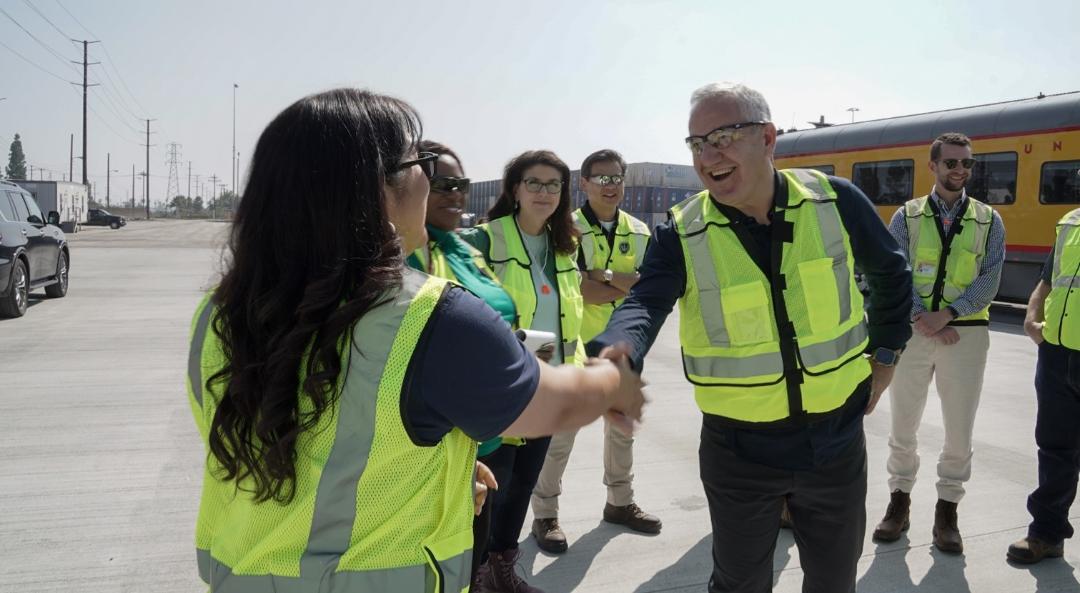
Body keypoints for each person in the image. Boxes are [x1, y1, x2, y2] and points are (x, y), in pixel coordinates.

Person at [185, 89, 644, 593]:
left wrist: (432, 483)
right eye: (420, 161)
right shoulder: (428, 316)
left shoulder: (221, 311)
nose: (433, 180)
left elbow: (316, 444)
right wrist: (611, 379)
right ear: (375, 188)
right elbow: (545, 406)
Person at [588, 82, 912, 593]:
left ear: (766, 137)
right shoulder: (683, 230)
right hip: (738, 450)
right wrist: (617, 355)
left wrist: (888, 352)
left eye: (721, 137)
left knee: (834, 581)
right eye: (696, 143)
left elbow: (893, 273)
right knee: (739, 584)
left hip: (836, 441)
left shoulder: (835, 202)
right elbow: (645, 302)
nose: (707, 156)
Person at [874, 133, 1005, 554]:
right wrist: (921, 317)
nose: (960, 170)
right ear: (932, 166)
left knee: (959, 430)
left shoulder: (989, 220)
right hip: (914, 333)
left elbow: (989, 279)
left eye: (966, 163)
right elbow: (894, 272)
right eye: (951, 163)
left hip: (965, 334)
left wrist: (946, 315)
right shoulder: (907, 216)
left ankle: (947, 514)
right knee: (903, 425)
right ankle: (899, 503)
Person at [459, 149, 583, 592]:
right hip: (497, 389)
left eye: (554, 185)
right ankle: (471, 576)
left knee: (521, 486)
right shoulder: (483, 241)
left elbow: (570, 324)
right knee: (488, 487)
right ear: (515, 189)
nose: (544, 192)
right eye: (534, 182)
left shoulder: (566, 246)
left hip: (545, 386)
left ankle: (501, 570)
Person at [530, 149, 661, 552]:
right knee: (560, 434)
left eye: (617, 177)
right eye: (601, 178)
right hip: (573, 348)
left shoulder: (639, 231)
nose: (611, 186)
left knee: (622, 431)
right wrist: (619, 283)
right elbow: (577, 288)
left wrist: (600, 275)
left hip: (623, 349)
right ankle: (545, 515)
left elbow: (645, 285)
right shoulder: (563, 229)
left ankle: (620, 503)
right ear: (583, 184)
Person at [403, 139, 518, 591]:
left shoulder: (464, 250)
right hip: (435, 447)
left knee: (469, 562)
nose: (456, 195)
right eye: (442, 185)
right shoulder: (399, 259)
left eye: (461, 185)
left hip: (487, 437)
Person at [1007, 208, 1080, 564]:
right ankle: (1046, 534)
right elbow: (1049, 278)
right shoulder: (1070, 223)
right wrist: (1031, 318)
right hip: (1057, 354)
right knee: (1054, 448)